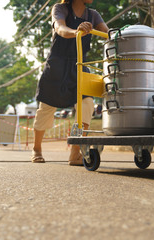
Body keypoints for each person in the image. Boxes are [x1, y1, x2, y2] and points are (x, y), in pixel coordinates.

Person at [31, 0, 108, 165]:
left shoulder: (93, 15)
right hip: (57, 64)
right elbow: (60, 29)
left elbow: (109, 34)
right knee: (46, 108)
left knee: (87, 104)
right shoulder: (60, 8)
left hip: (79, 64)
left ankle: (75, 152)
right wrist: (77, 31)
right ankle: (36, 148)